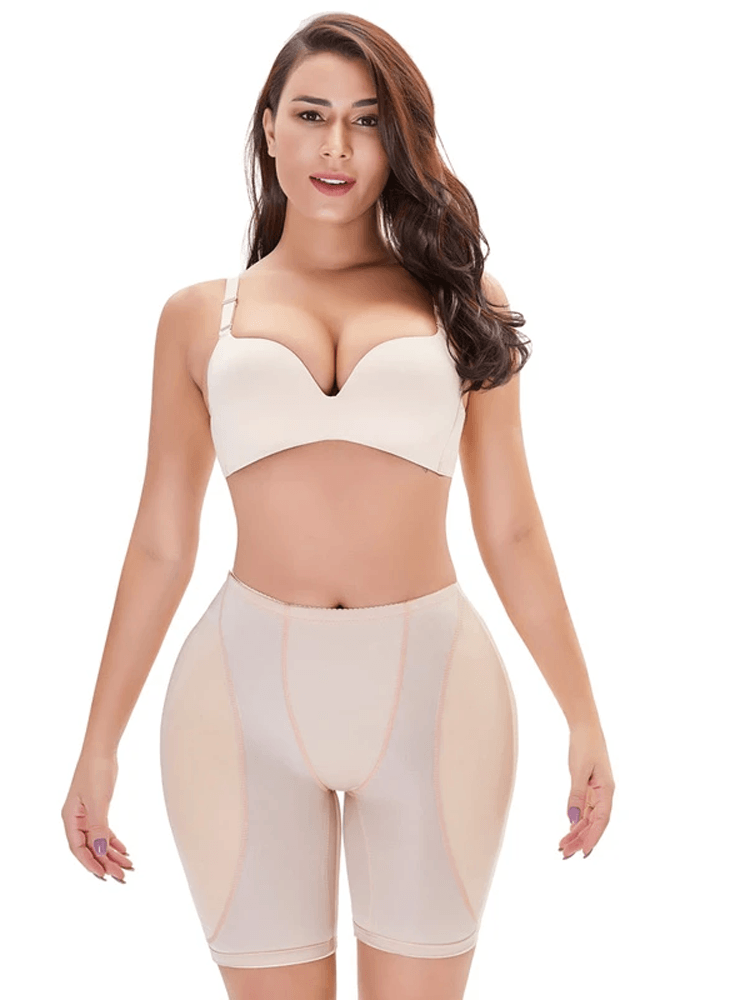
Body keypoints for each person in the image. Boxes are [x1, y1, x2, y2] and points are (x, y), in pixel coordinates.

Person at [61, 12, 615, 1000]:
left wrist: (583, 715)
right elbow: (160, 542)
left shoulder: (461, 303)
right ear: (269, 126)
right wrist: (97, 744)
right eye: (312, 115)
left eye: (367, 122)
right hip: (236, 702)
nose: (337, 148)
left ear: (397, 142)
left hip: (436, 696)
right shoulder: (197, 318)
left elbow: (512, 526)